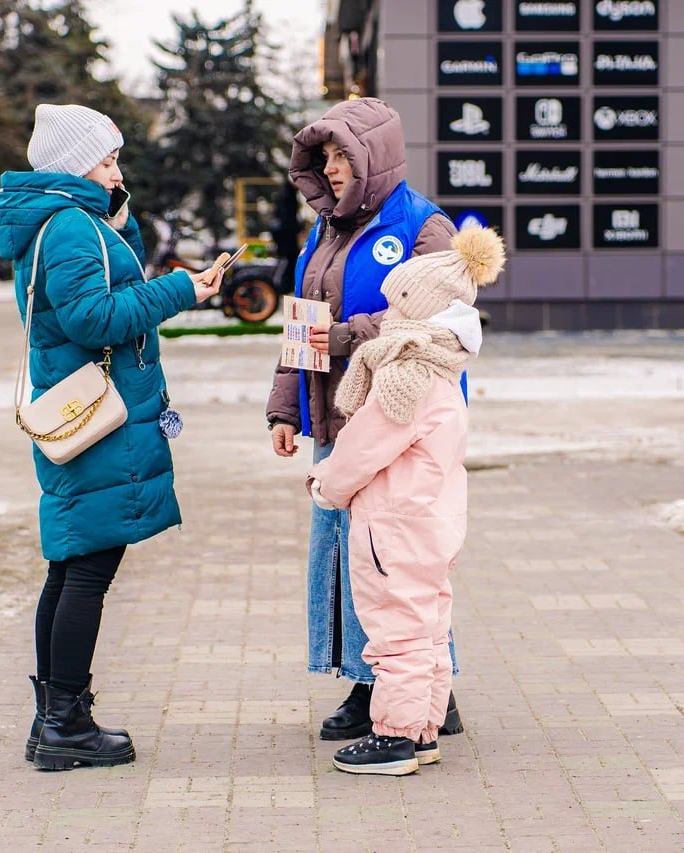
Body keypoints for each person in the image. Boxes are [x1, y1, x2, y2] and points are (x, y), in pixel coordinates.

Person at [0, 103, 226, 771]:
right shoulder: (69, 227)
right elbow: (95, 318)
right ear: (74, 166)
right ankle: (65, 722)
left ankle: (54, 719)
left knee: (71, 565)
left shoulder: (70, 222)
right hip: (99, 421)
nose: (117, 169)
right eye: (107, 159)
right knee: (88, 569)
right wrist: (177, 290)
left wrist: (122, 225)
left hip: (83, 414)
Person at [264, 97, 465, 741]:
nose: (333, 170)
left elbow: (440, 317)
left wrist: (344, 337)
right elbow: (301, 326)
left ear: (373, 156)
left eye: (342, 156)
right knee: (351, 555)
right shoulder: (323, 232)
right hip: (334, 419)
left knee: (393, 558)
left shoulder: (424, 226)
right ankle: (396, 683)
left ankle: (394, 686)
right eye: (323, 158)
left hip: (399, 417)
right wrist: (285, 407)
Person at [308, 226, 505, 775]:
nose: (389, 313)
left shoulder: (407, 374)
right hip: (434, 520)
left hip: (393, 525)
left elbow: (364, 445)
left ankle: (393, 737)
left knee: (397, 630)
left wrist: (327, 485)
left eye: (398, 302)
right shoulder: (445, 368)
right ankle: (422, 730)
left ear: (420, 310)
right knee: (428, 626)